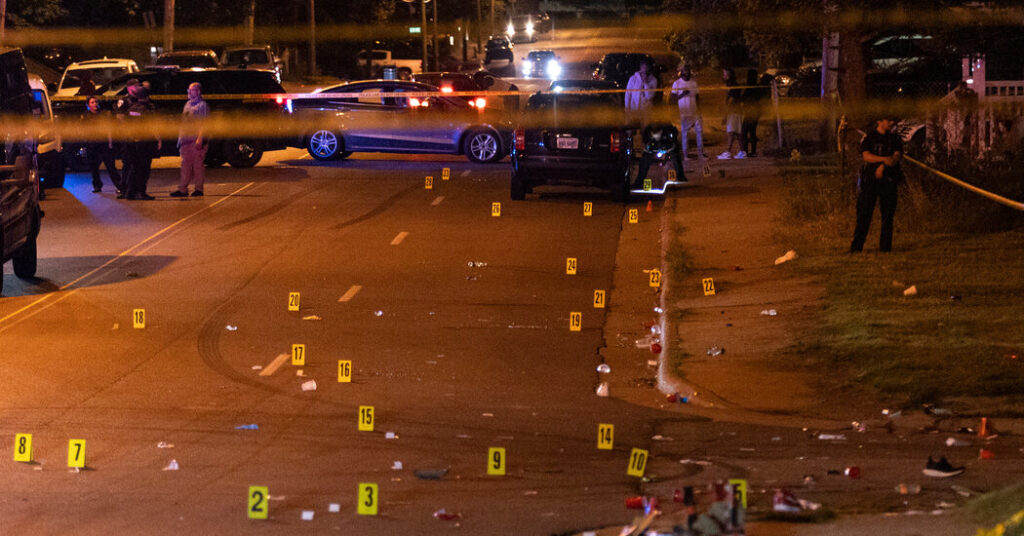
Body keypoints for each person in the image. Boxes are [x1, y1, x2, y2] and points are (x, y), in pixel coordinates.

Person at [850, 115, 903, 253]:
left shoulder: (894, 139)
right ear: (880, 122)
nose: (891, 123)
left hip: (889, 181)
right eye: (888, 120)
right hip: (870, 182)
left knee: (887, 216)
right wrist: (884, 159)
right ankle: (856, 247)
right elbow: (866, 156)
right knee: (864, 214)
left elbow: (895, 158)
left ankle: (885, 248)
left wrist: (883, 166)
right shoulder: (870, 137)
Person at [118, 81, 162, 200]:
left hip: (131, 142)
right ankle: (141, 192)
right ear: (147, 97)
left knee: (134, 168)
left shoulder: (131, 109)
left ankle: (130, 193)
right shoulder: (148, 110)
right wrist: (158, 139)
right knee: (144, 169)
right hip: (144, 142)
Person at [172, 82, 209, 197]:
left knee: (197, 165)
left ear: (198, 91)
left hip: (195, 139)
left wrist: (200, 138)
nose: (189, 92)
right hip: (185, 140)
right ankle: (183, 189)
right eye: (189, 89)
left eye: (192, 90)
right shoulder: (187, 104)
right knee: (185, 165)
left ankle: (199, 189)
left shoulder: (202, 105)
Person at [81, 96, 123, 193]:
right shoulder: (85, 116)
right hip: (92, 144)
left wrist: (110, 141)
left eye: (96, 102)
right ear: (88, 105)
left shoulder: (104, 115)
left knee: (110, 166)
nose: (95, 104)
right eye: (92, 102)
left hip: (104, 144)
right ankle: (97, 186)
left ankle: (120, 186)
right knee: (94, 167)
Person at [670, 63, 704, 160]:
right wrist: (682, 94)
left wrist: (699, 110)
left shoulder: (694, 83)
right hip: (684, 113)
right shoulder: (677, 83)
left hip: (695, 112)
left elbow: (697, 98)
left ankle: (701, 154)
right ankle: (685, 156)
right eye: (685, 70)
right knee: (685, 135)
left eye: (688, 70)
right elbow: (672, 99)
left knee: (699, 132)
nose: (687, 72)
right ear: (681, 72)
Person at [740, 69, 771, 158]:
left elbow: (745, 98)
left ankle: (745, 151)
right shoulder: (758, 87)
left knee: (744, 132)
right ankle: (753, 151)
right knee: (752, 132)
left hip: (750, 112)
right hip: (756, 112)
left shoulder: (750, 87)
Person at [624, 60, 658, 129]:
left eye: (647, 68)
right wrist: (627, 108)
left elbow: (649, 96)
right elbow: (628, 94)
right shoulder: (633, 79)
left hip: (646, 111)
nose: (645, 70)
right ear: (640, 68)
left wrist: (645, 83)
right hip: (634, 109)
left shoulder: (653, 80)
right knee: (633, 129)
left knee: (645, 129)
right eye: (643, 68)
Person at [718, 68, 742, 159]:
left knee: (731, 132)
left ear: (729, 76)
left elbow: (731, 102)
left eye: (725, 75)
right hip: (736, 111)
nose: (723, 77)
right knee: (738, 133)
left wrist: (725, 114)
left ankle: (728, 152)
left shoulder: (733, 86)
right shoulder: (731, 85)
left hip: (733, 111)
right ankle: (742, 151)